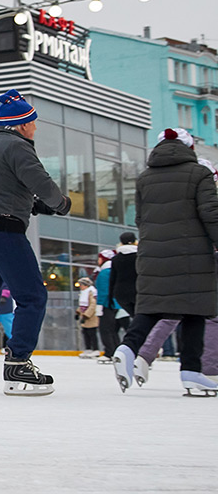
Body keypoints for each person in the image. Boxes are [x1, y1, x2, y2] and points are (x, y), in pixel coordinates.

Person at [0, 89, 70, 396]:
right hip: (2, 229)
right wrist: (60, 203)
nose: (35, 127)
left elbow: (0, 187)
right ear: (21, 124)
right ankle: (18, 362)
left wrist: (32, 204)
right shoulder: (18, 146)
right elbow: (40, 180)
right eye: (33, 122)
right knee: (32, 296)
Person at [110, 128, 218, 396]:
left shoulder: (145, 178)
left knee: (153, 308)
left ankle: (127, 348)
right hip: (191, 255)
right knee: (195, 308)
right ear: (189, 148)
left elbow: (140, 219)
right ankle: (191, 372)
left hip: (152, 253)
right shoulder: (199, 174)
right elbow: (211, 213)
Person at [94, 249, 123, 362]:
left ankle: (109, 352)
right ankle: (116, 351)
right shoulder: (115, 271)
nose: (98, 260)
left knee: (105, 329)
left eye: (99, 258)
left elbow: (103, 291)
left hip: (107, 304)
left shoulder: (104, 272)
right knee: (112, 329)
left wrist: (100, 305)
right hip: (115, 304)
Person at [109, 231, 140, 325]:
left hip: (121, 294)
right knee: (143, 319)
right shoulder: (139, 257)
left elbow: (112, 278)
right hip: (138, 291)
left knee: (136, 318)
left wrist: (110, 297)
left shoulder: (116, 259)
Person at [77, 276, 100, 358]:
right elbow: (82, 304)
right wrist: (78, 312)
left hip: (91, 317)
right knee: (85, 332)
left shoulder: (91, 292)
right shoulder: (84, 292)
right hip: (84, 316)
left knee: (92, 332)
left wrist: (86, 315)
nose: (80, 286)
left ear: (85, 285)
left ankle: (95, 349)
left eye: (81, 285)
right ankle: (88, 348)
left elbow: (92, 305)